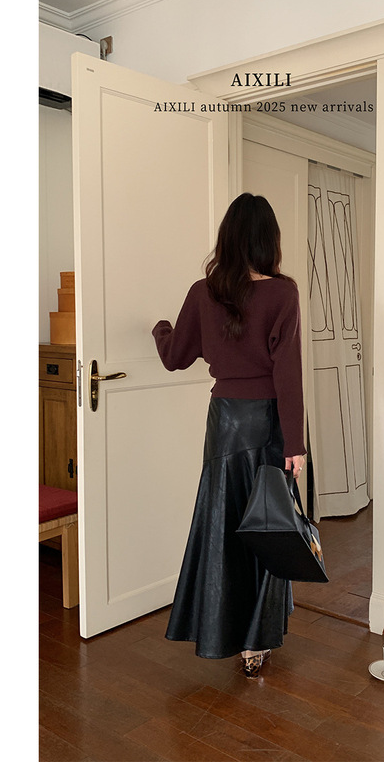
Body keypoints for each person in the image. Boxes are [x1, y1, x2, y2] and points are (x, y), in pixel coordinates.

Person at [152, 192, 306, 678]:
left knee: (223, 528)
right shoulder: (283, 293)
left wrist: (159, 328)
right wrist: (295, 444)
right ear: (269, 240)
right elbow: (288, 374)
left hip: (224, 424)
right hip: (268, 424)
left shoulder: (204, 292)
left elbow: (175, 356)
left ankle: (224, 632)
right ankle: (255, 643)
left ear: (227, 238)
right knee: (269, 528)